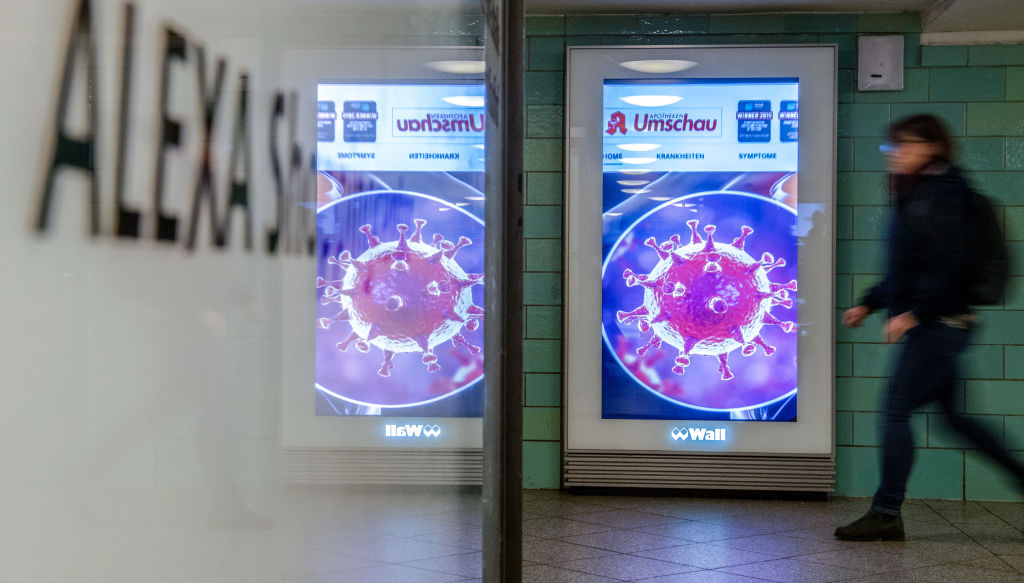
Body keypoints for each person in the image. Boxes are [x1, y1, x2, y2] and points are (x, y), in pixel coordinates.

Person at [834, 114, 1024, 541]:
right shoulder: (921, 193)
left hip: (937, 326)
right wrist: (871, 302)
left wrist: (914, 313)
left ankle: (886, 511)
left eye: (905, 145)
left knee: (896, 411)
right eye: (892, 146)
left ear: (932, 147)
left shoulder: (940, 195)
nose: (895, 154)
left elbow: (946, 265)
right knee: (956, 419)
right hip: (943, 324)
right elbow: (909, 267)